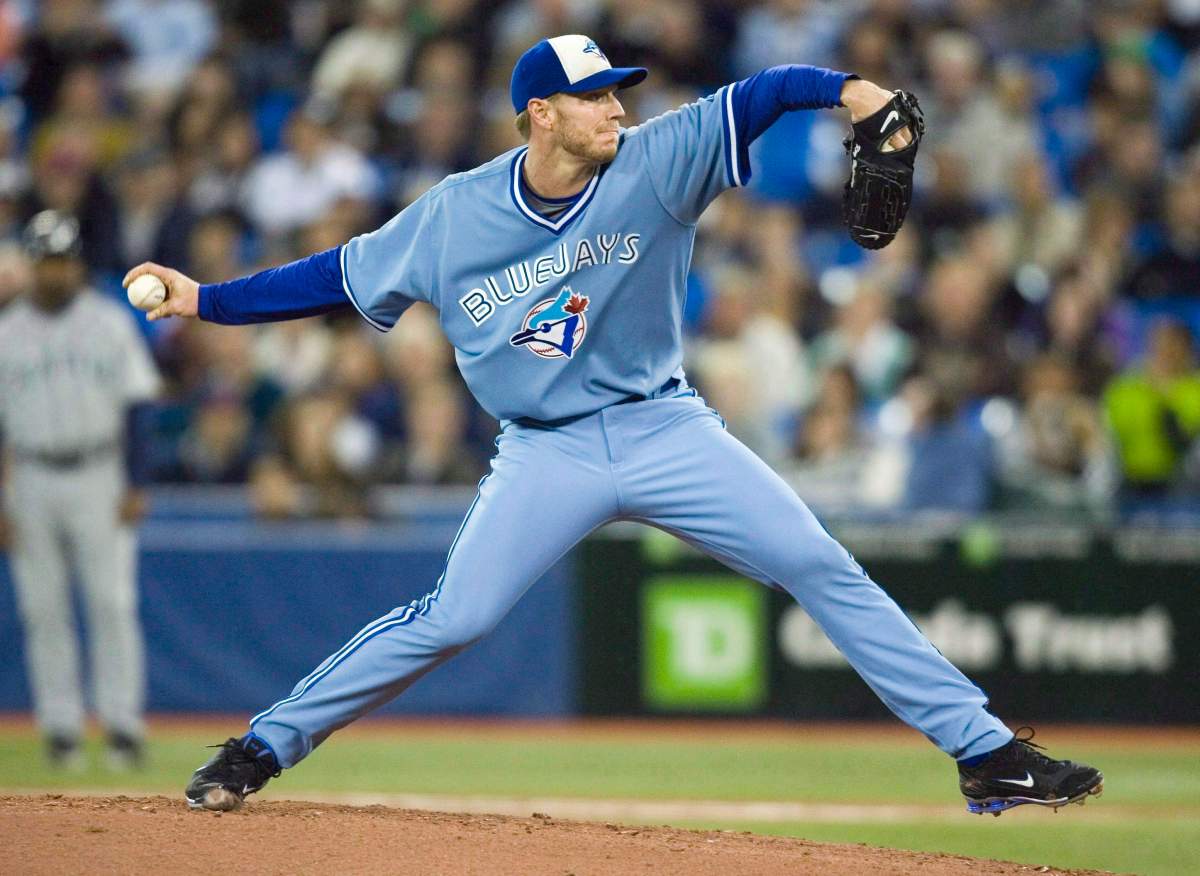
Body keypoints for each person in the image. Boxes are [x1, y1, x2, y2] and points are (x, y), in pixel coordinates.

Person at [126, 35, 1102, 816]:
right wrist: (203, 299)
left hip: (666, 429)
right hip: (544, 450)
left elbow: (763, 91)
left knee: (819, 563)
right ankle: (263, 745)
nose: (616, 107)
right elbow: (328, 277)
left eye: (617, 91)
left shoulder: (656, 159)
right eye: (595, 96)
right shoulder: (453, 216)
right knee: (454, 617)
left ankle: (985, 753)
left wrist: (853, 93)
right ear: (540, 115)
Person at [0, 210, 161, 769]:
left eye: (63, 261)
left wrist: (137, 480)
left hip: (100, 473)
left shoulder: (109, 322)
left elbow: (139, 405)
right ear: (32, 265)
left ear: (76, 265)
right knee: (43, 609)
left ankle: (121, 726)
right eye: (45, 261)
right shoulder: (6, 330)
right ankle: (62, 729)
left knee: (111, 603)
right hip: (30, 477)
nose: (55, 272)